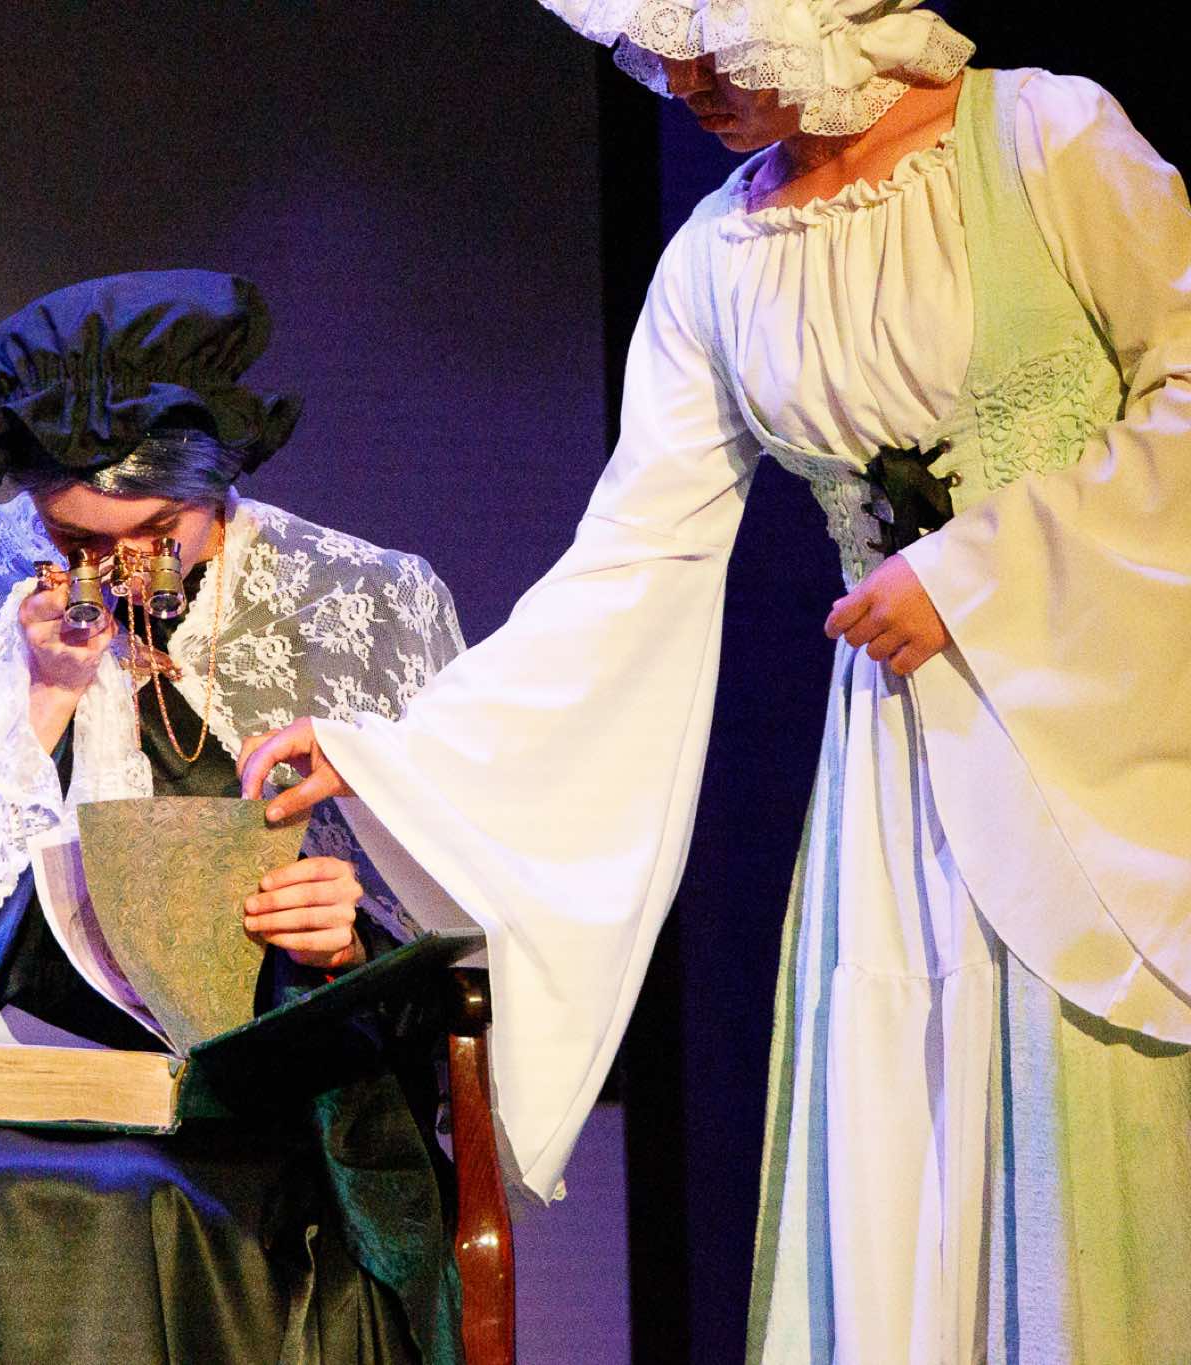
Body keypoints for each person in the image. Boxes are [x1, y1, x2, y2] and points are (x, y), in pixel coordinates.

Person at [241, 4, 1191, 1360]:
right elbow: (631, 556)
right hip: (896, 760)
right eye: (652, 44)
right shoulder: (720, 253)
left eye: (704, 36)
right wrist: (398, 752)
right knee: (906, 1131)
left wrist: (982, 572)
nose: (677, 79)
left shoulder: (1046, 137)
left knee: (1068, 1119)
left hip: (1101, 718)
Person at [0, 270, 470, 1364]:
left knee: (157, 1203)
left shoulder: (361, 599)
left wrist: (355, 934)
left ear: (218, 486)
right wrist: (40, 704)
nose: (110, 573)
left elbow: (457, 900)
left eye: (151, 533)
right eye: (73, 542)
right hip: (36, 1094)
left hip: (277, 1102)